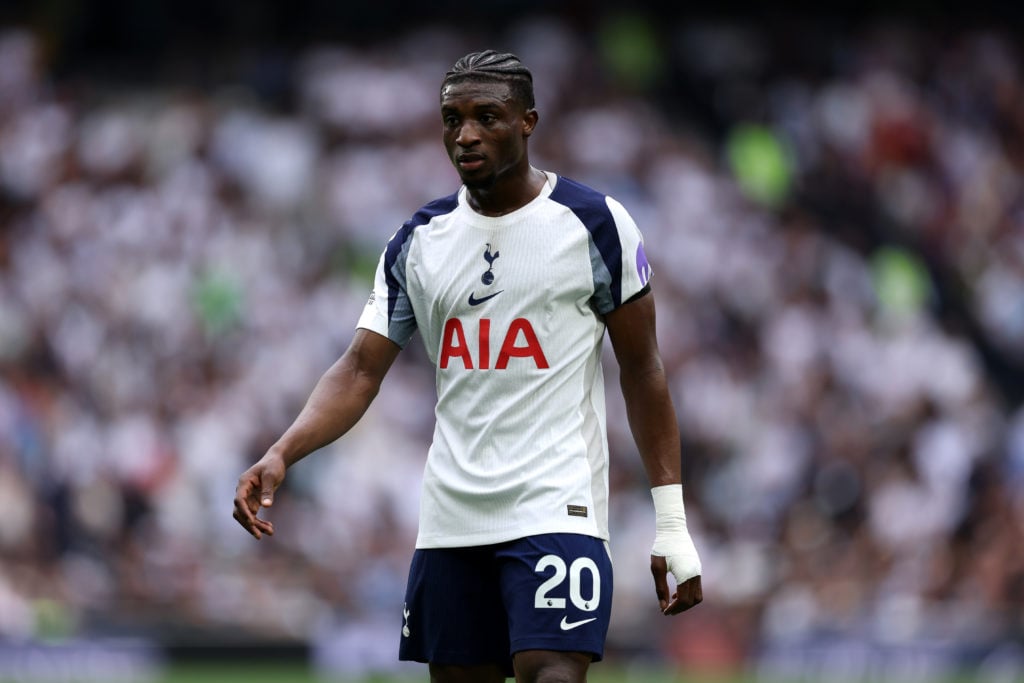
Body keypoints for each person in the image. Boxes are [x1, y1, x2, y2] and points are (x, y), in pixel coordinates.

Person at [233, 49, 703, 683]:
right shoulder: (418, 240)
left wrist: (671, 524)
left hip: (555, 504)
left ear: (528, 121)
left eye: (488, 116)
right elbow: (359, 370)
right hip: (452, 518)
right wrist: (283, 451)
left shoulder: (595, 225)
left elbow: (643, 371)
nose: (466, 134)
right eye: (452, 118)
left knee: (553, 676)